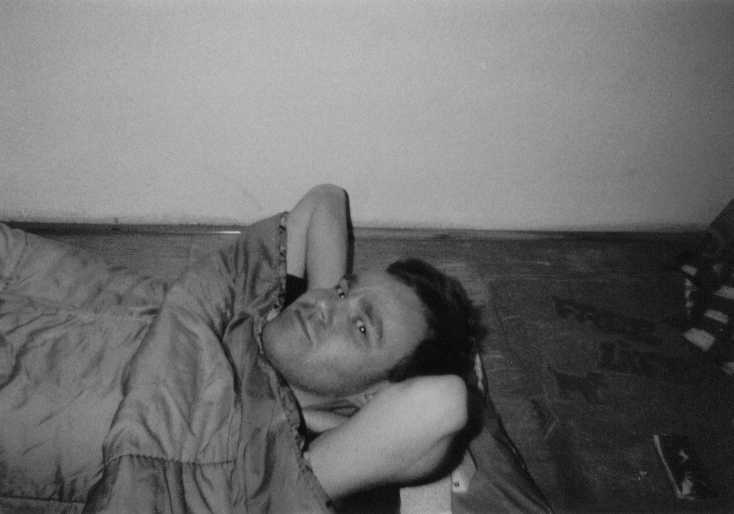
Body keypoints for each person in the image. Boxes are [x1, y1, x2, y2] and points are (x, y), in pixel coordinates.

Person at [262, 184, 477, 500]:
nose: (321, 305)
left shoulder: (326, 461)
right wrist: (337, 302)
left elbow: (446, 401)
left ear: (376, 395)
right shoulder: (287, 315)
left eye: (362, 329)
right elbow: (327, 199)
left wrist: (300, 412)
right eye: (341, 290)